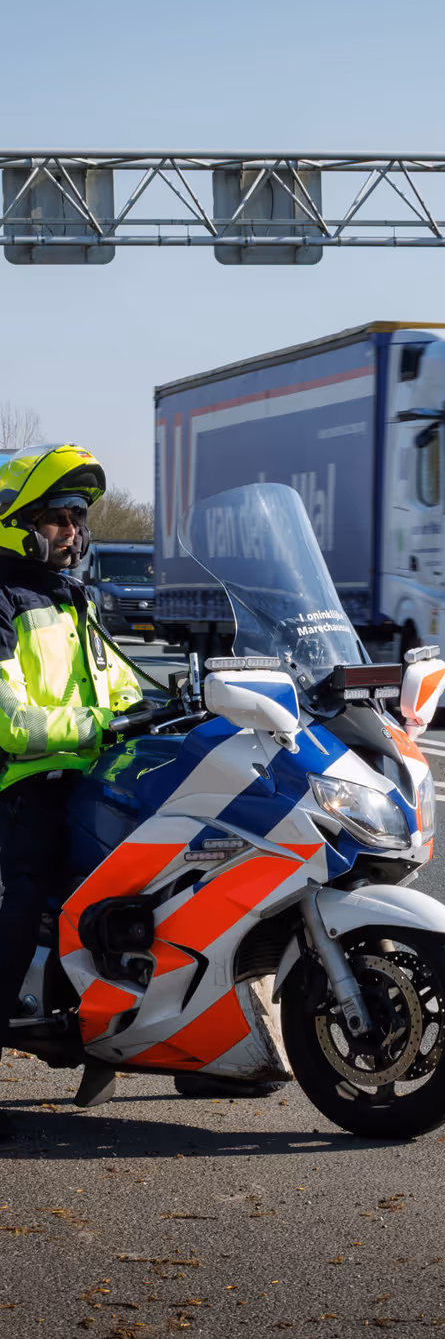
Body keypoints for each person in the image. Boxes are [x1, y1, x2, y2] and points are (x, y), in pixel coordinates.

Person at [0, 444, 142, 1143]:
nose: (71, 529)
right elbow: (10, 718)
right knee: (24, 904)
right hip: (21, 785)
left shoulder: (73, 598)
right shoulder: (1, 598)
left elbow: (118, 684)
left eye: (77, 517)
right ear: (17, 523)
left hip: (83, 778)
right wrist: (99, 724)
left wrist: (168, 707)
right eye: (57, 516)